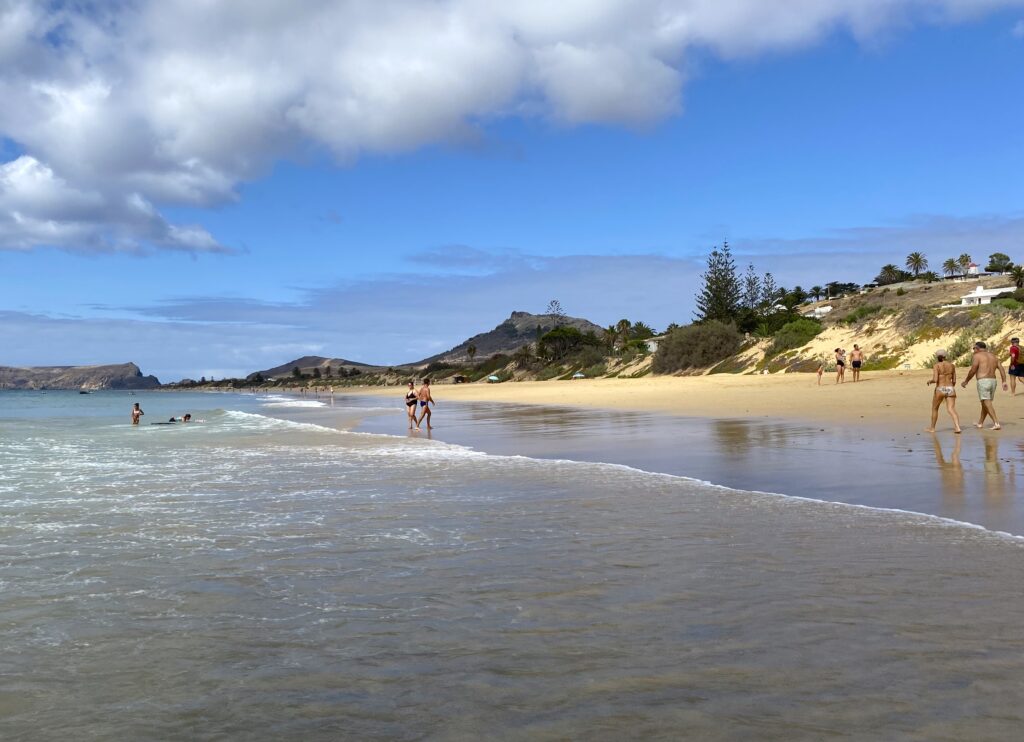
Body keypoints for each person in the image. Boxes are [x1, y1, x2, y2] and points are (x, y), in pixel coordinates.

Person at [961, 341, 1008, 430]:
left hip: (983, 381)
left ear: (977, 348)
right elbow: (1001, 368)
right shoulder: (993, 356)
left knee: (986, 402)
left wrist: (966, 381)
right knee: (985, 403)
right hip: (993, 381)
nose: (973, 350)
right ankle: (980, 423)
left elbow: (973, 370)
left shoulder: (977, 356)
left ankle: (996, 423)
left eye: (974, 348)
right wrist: (1004, 381)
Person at [925, 349, 961, 433]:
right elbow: (954, 381)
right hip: (950, 388)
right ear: (945, 356)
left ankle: (932, 428)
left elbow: (935, 379)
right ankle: (957, 427)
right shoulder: (952, 366)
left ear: (937, 357)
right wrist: (950, 388)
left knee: (935, 408)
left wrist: (930, 381)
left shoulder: (936, 366)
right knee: (951, 409)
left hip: (940, 388)